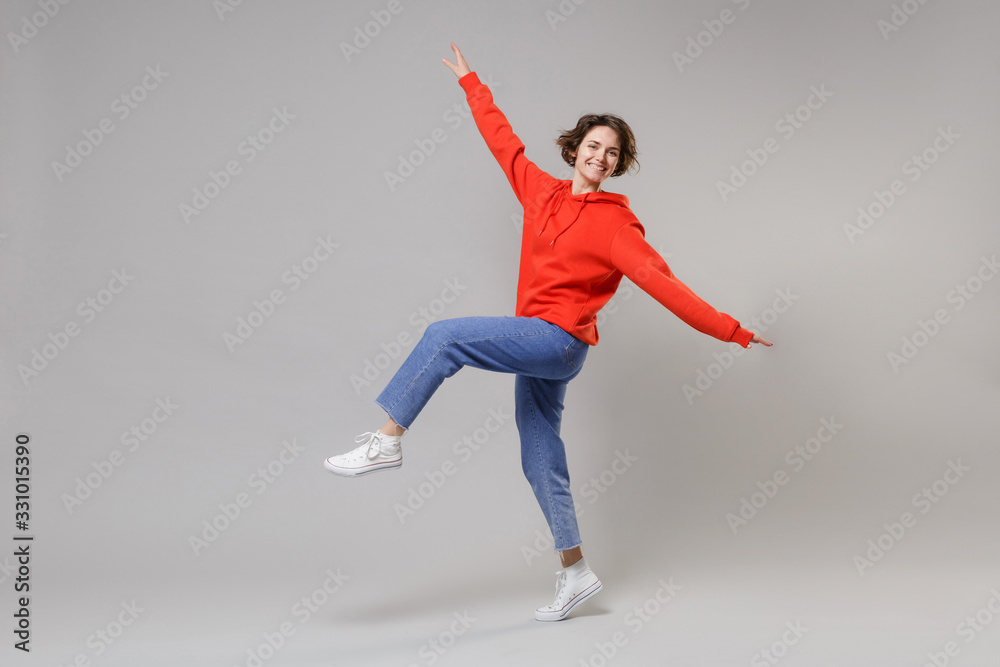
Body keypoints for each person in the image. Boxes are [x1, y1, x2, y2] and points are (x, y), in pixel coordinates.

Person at [325, 43, 773, 622]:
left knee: (442, 337)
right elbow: (502, 142)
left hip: (558, 342)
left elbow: (666, 286)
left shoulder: (617, 225)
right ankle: (576, 572)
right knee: (540, 455)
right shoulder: (541, 192)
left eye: (612, 153)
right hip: (538, 339)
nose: (601, 157)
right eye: (593, 146)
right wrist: (471, 83)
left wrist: (733, 332)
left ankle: (386, 440)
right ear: (574, 149)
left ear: (618, 163)